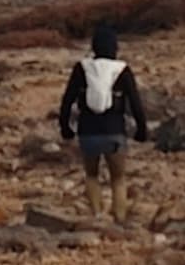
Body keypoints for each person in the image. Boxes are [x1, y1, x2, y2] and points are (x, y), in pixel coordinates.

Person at [58, 19, 149, 219]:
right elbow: (135, 103)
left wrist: (65, 127)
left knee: (91, 175)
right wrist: (142, 129)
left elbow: (67, 101)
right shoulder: (122, 70)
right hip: (114, 131)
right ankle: (119, 218)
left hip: (87, 131)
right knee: (118, 178)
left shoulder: (81, 68)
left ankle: (97, 214)